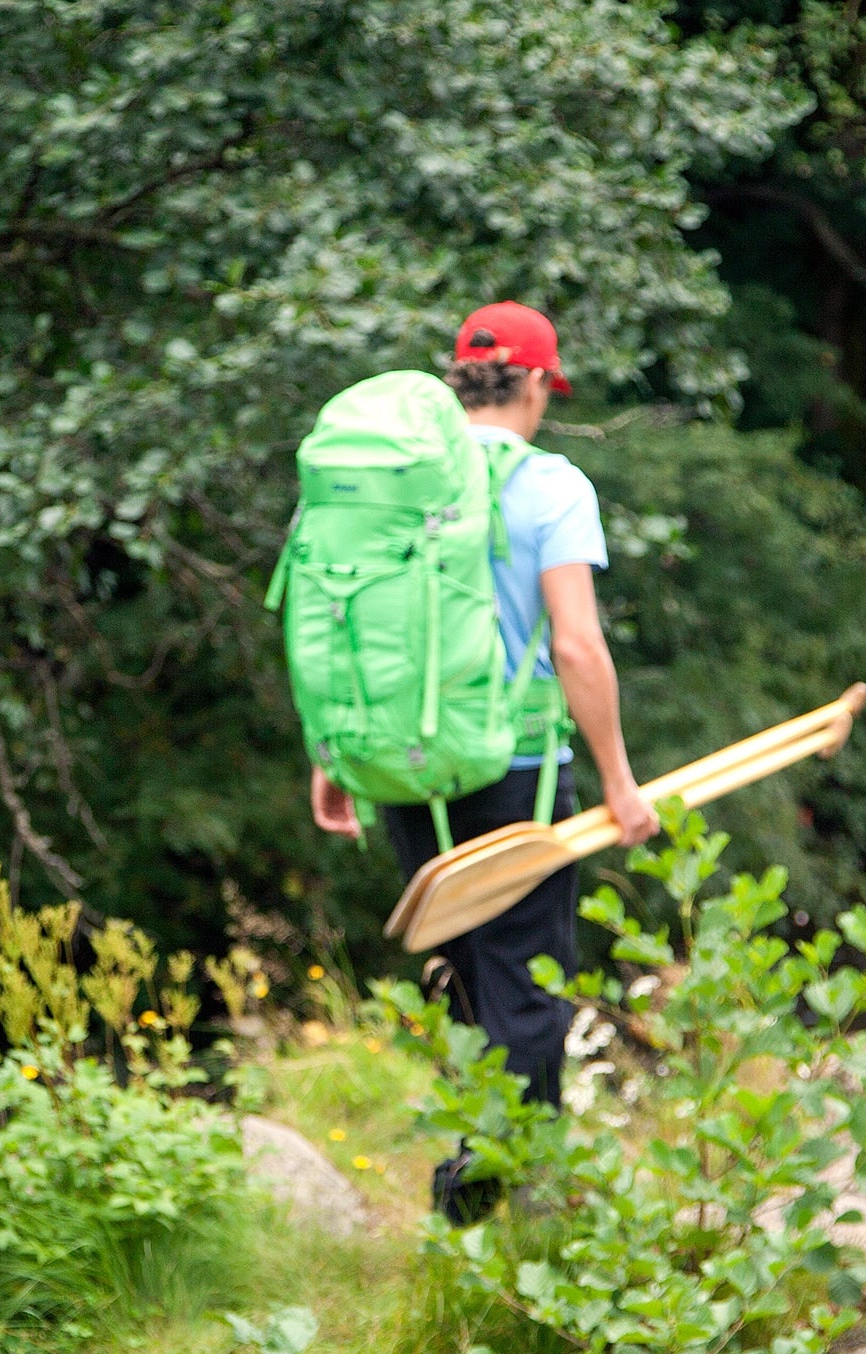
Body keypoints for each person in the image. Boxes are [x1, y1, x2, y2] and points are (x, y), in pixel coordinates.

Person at [310, 301, 659, 1217]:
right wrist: (619, 780)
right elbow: (578, 648)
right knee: (527, 987)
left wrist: (333, 753)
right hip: (516, 773)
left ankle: (474, 1195)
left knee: (458, 978)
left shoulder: (394, 477)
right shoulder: (551, 486)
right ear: (538, 382)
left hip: (406, 771)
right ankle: (521, 1210)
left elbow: (344, 623)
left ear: (459, 378)